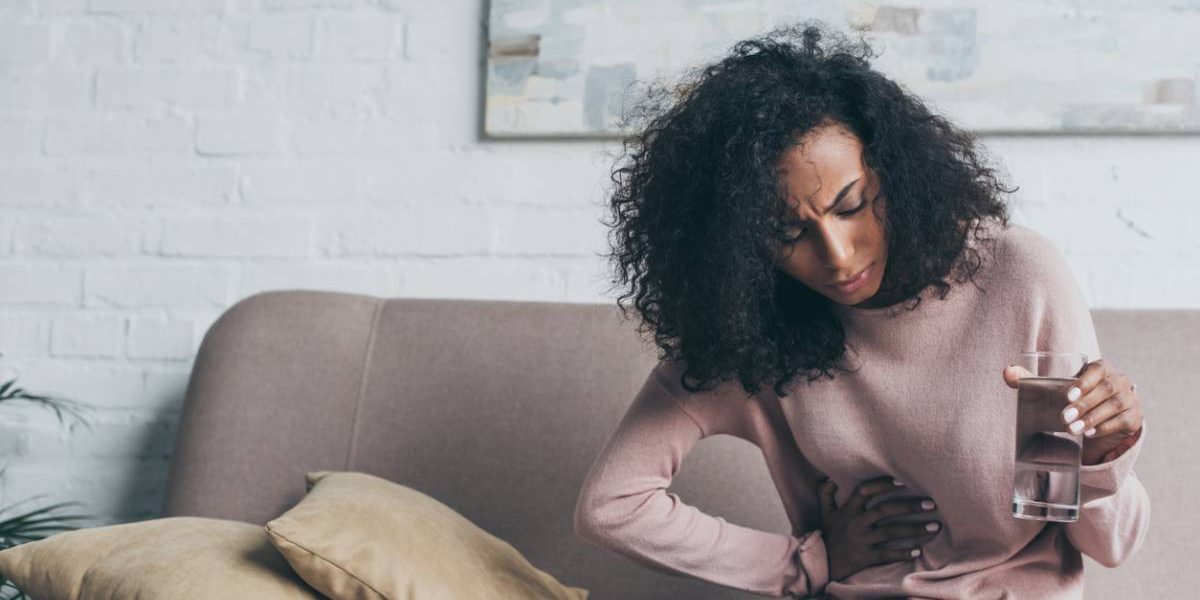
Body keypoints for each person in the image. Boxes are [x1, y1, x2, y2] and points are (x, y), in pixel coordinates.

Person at [573, 19, 1148, 599]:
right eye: (789, 232)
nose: (838, 257)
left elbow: (1112, 544)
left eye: (851, 206)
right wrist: (804, 562)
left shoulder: (1019, 274)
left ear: (891, 175)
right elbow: (611, 506)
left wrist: (1098, 457)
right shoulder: (754, 330)